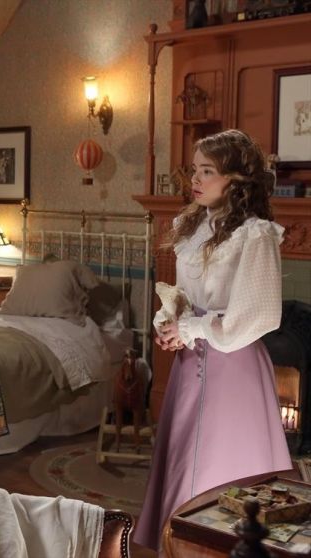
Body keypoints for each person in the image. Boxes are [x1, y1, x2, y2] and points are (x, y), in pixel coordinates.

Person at [133, 129, 292, 551]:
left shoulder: (255, 234)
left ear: (235, 179)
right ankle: (178, 544)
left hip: (232, 364)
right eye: (195, 170)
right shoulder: (194, 226)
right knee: (183, 456)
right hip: (191, 363)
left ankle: (219, 547)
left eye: (207, 171)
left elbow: (260, 313)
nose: (195, 179)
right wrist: (171, 321)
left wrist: (195, 328)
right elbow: (185, 297)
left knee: (219, 465)